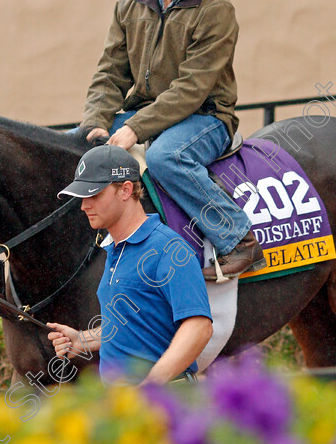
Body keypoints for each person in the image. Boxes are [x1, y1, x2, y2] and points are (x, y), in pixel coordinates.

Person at [78, 0, 265, 280]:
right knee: (72, 146)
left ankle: (238, 240)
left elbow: (192, 89)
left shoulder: (217, 10)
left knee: (166, 157)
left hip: (207, 117)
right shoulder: (129, 7)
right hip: (148, 113)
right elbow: (110, 73)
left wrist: (136, 128)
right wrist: (95, 123)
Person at [47, 145, 213, 385]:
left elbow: (199, 327)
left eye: (94, 194)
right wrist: (82, 341)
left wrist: (150, 387)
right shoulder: (115, 249)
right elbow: (133, 322)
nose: (84, 206)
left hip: (164, 400)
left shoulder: (169, 248)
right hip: (124, 404)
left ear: (125, 190)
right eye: (82, 197)